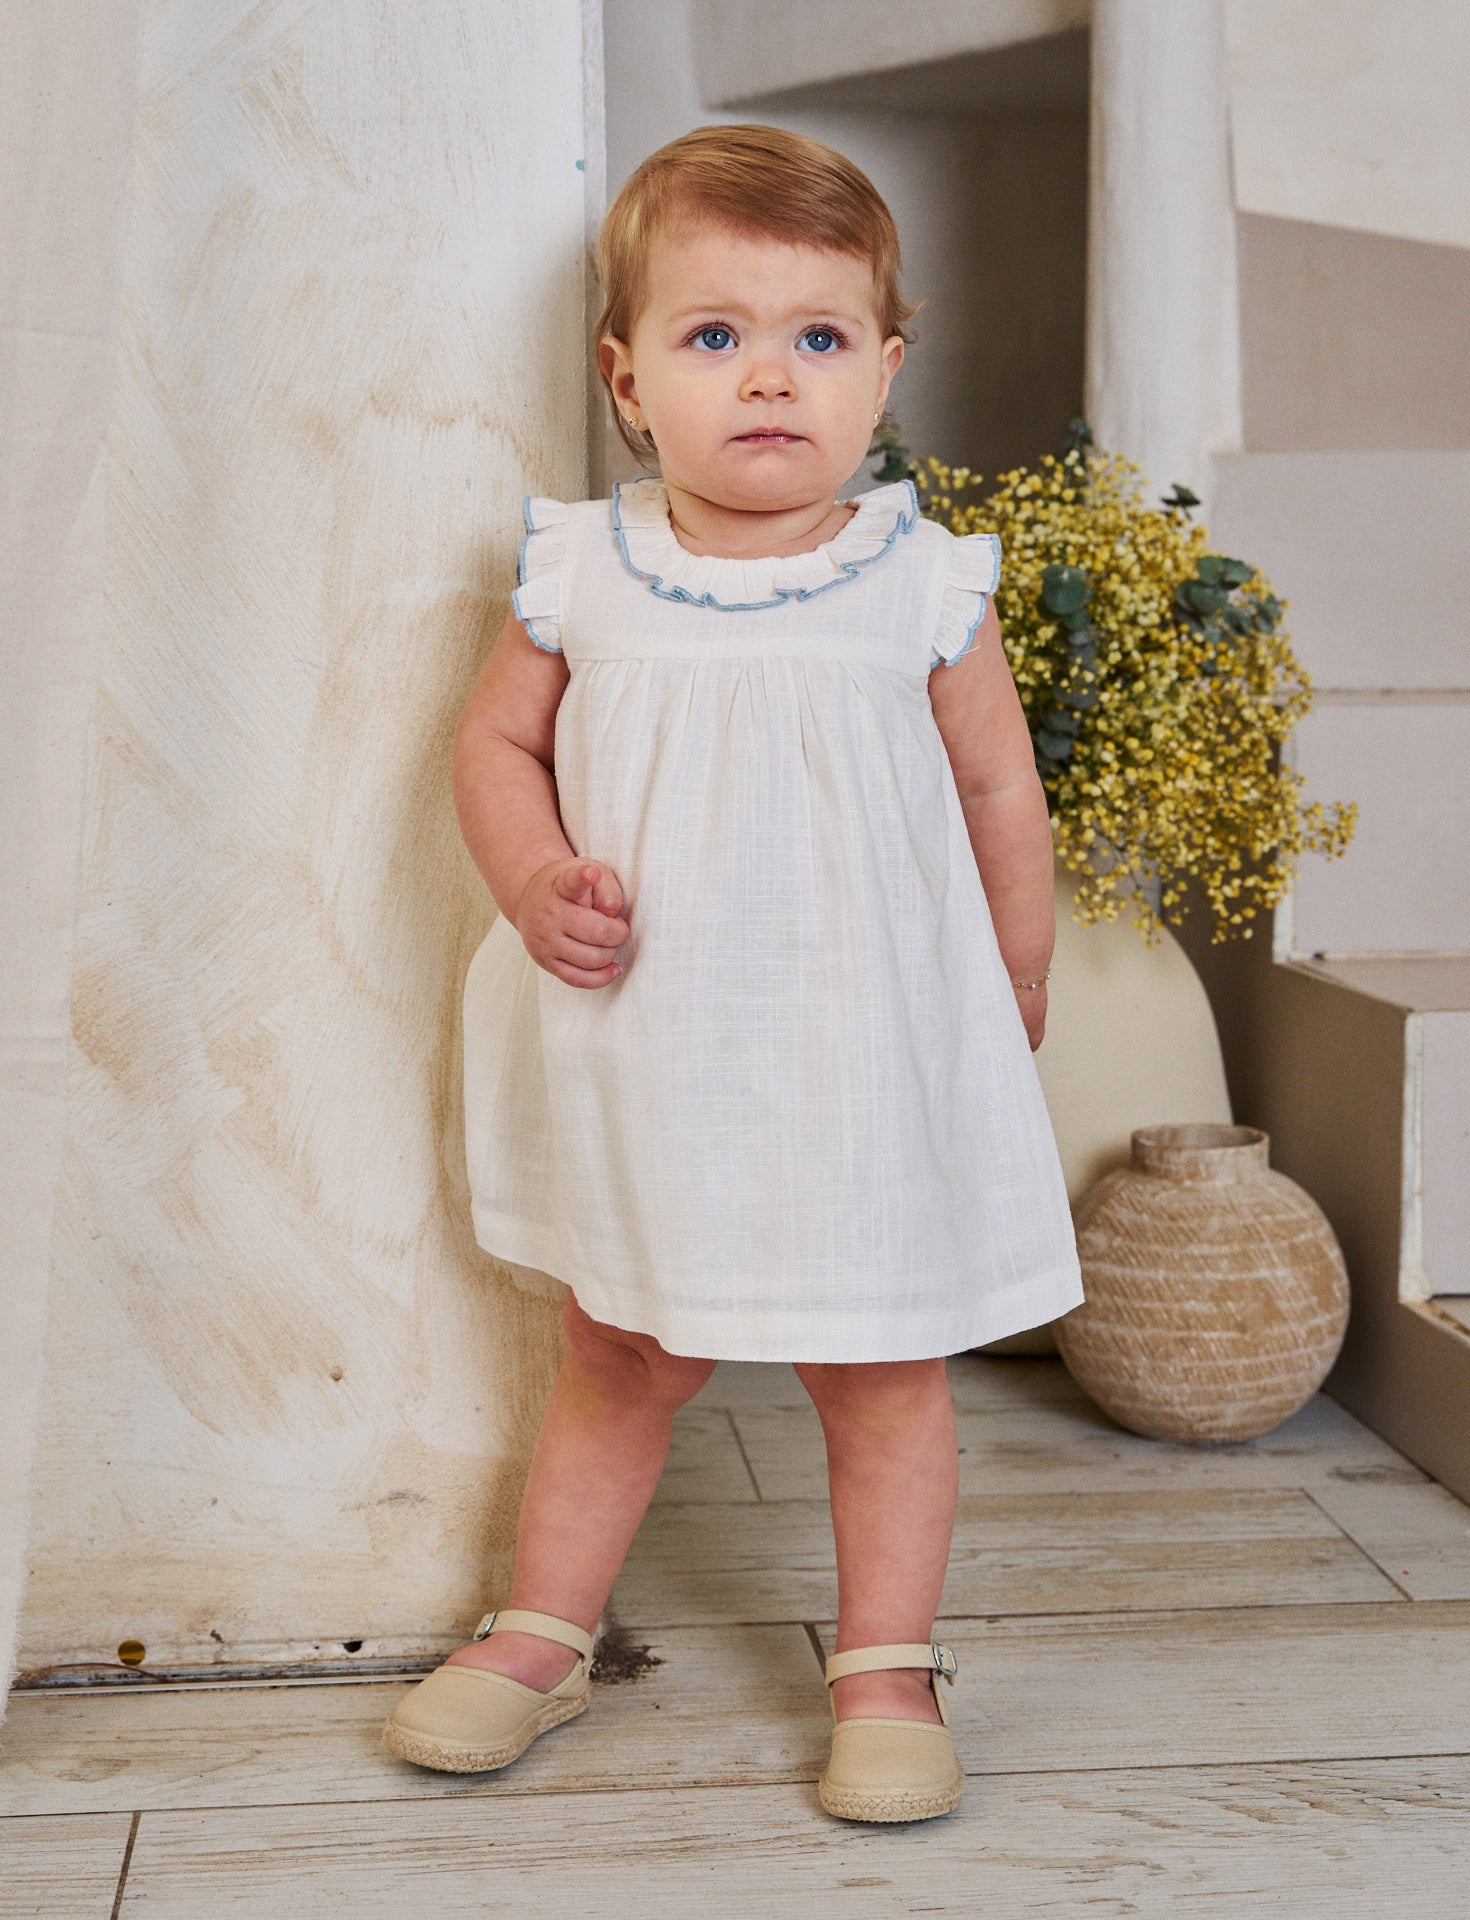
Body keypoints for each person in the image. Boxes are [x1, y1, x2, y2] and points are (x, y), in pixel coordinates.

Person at [383, 123, 1081, 1825]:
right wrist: (538, 874)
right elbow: (489, 747)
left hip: (867, 1048)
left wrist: (1014, 971)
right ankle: (542, 1628)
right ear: (629, 381)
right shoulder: (584, 568)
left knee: (885, 1367)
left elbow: (1000, 787)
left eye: (819, 338)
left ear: (888, 369)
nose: (770, 378)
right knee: (619, 1347)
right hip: (657, 1045)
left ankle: (890, 1666)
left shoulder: (920, 578)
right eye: (715, 338)